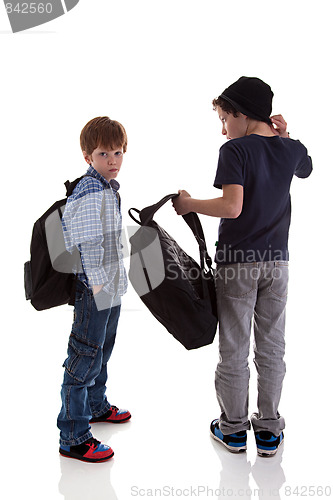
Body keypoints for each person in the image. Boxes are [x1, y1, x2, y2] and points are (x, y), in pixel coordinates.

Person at [173, 77, 312, 457]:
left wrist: (190, 205)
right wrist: (283, 135)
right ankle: (268, 430)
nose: (223, 129)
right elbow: (307, 168)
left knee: (234, 348)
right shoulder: (290, 148)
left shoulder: (234, 151)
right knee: (272, 347)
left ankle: (233, 430)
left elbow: (232, 207)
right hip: (277, 264)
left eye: (224, 118)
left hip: (238, 263)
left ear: (242, 113)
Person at [57, 116, 131, 463]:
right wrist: (101, 287)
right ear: (88, 156)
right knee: (85, 356)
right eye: (104, 154)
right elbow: (87, 245)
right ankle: (73, 436)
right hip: (95, 289)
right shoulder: (89, 191)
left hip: (109, 288)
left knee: (101, 350)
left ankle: (97, 406)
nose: (113, 160)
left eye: (118, 152)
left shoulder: (107, 188)